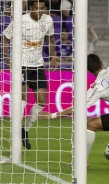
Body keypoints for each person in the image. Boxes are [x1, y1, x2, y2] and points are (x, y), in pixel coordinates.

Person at [40, 30, 109, 163]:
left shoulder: (98, 87)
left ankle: (81, 163)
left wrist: (52, 116)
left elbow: (77, 109)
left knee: (90, 125)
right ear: (102, 62)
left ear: (89, 71)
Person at [3, 0, 57, 150]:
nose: (39, 11)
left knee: (41, 100)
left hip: (38, 64)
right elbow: (5, 38)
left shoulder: (48, 20)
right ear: (30, 8)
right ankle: (15, 133)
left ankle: (24, 130)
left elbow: (50, 38)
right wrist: (8, 58)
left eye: (42, 8)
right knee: (23, 98)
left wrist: (53, 56)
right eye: (36, 8)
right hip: (21, 64)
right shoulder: (20, 21)